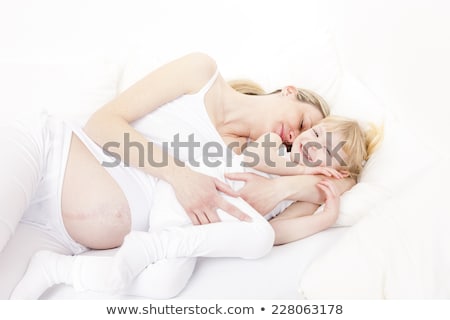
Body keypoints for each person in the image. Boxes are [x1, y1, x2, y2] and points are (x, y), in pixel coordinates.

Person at [0, 52, 353, 299]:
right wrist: (179, 176)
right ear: (289, 91)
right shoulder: (202, 76)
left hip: (61, 239)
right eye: (304, 124)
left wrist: (292, 184)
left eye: (298, 145)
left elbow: (343, 177)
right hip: (45, 155)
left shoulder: (257, 162)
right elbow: (101, 124)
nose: (295, 139)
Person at [11, 115, 381, 299]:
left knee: (165, 285)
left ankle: (60, 269)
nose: (313, 147)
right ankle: (151, 247)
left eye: (327, 152)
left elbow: (279, 233)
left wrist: (323, 218)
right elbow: (249, 155)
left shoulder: (301, 197)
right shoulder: (270, 146)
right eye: (315, 135)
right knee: (257, 238)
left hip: (195, 229)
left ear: (336, 170)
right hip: (186, 194)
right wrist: (301, 172)